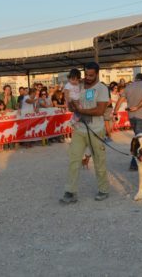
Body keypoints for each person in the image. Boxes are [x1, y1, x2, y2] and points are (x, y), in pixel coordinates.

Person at [60, 62, 109, 204]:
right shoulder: (78, 85)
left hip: (96, 130)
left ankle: (103, 189)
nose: (87, 77)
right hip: (79, 129)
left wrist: (80, 111)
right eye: (86, 74)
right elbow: (70, 105)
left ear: (97, 74)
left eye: (91, 75)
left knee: (99, 160)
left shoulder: (102, 89)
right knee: (74, 160)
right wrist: (69, 102)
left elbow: (100, 111)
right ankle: (70, 192)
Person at [113, 73, 142, 171]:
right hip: (141, 116)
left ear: (135, 78)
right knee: (140, 139)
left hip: (131, 116)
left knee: (138, 137)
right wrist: (138, 107)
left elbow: (120, 100)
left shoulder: (128, 86)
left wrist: (115, 112)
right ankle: (134, 163)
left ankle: (141, 158)